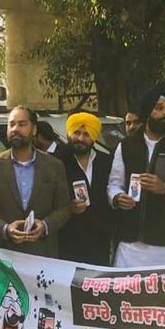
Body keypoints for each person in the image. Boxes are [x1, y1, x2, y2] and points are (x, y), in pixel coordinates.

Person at [107, 85, 165, 267]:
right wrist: (118, 197)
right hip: (129, 248)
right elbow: (114, 184)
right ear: (146, 113)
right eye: (159, 108)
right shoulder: (126, 146)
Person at [0, 106, 70, 258]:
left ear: (34, 129)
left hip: (43, 256)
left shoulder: (54, 166)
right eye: (11, 124)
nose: (15, 129)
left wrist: (45, 226)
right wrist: (5, 229)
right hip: (5, 257)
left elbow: (64, 209)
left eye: (22, 124)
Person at [55, 112, 115, 265]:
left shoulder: (106, 161)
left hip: (99, 242)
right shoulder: (57, 161)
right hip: (67, 243)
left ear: (94, 137)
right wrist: (68, 208)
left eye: (86, 134)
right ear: (69, 133)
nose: (81, 138)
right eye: (77, 133)